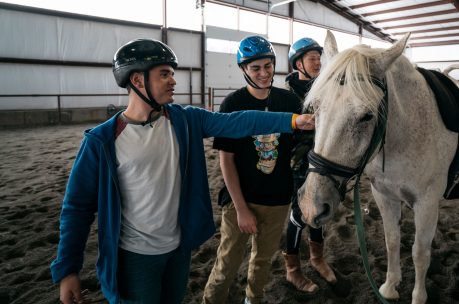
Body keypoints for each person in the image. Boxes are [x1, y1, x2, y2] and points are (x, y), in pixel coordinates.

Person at [50, 38, 314, 304]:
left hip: (179, 249)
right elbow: (77, 208)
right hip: (135, 257)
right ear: (138, 80)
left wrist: (292, 120)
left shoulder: (184, 120)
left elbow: (239, 121)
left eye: (172, 74)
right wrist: (67, 270)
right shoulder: (101, 141)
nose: (173, 80)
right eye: (164, 74)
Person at [202, 35, 302, 304]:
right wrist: (242, 209)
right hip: (240, 200)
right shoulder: (233, 104)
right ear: (244, 69)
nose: (263, 73)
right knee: (226, 264)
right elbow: (226, 160)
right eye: (255, 68)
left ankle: (253, 299)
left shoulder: (290, 103)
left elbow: (299, 148)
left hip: (278, 199)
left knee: (262, 262)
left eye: (267, 66)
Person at [282, 38, 336, 294]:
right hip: (297, 162)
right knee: (299, 213)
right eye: (311, 58)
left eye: (318, 57)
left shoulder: (326, 87)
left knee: (320, 208)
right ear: (298, 63)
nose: (317, 62)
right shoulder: (286, 93)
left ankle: (317, 258)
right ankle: (292, 269)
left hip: (323, 158)